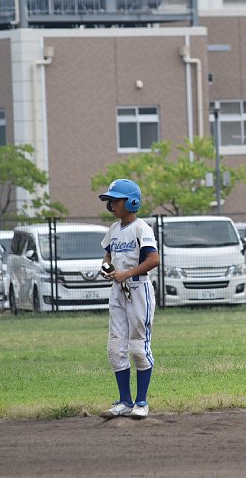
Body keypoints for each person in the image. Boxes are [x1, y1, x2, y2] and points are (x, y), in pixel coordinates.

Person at [98, 179, 160, 420]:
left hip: (138, 290)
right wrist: (107, 268)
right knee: (115, 348)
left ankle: (141, 402)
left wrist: (127, 273)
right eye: (110, 201)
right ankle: (124, 402)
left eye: (116, 200)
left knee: (138, 347)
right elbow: (107, 256)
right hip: (118, 290)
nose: (111, 205)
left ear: (132, 202)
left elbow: (153, 259)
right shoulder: (114, 230)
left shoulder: (142, 228)